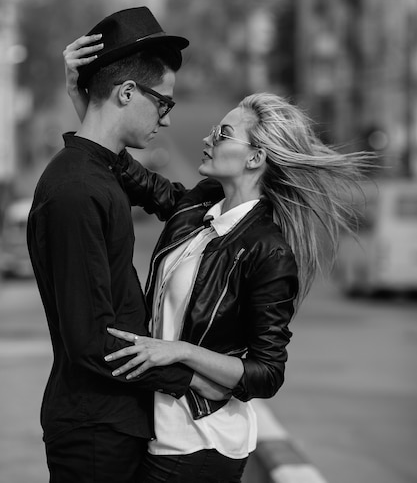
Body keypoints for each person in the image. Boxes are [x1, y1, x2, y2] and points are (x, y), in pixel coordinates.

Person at [64, 33, 373, 483]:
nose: (210, 137)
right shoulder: (198, 207)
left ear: (255, 159)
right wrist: (86, 100)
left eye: (224, 133)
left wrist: (182, 351)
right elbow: (131, 173)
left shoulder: (268, 249)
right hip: (158, 427)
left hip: (201, 443)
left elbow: (266, 373)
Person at [27, 6, 229, 483]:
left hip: (114, 423)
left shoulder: (96, 174)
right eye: (164, 102)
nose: (165, 118)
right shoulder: (77, 189)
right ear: (126, 93)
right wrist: (193, 380)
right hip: (95, 433)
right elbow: (93, 342)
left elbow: (174, 202)